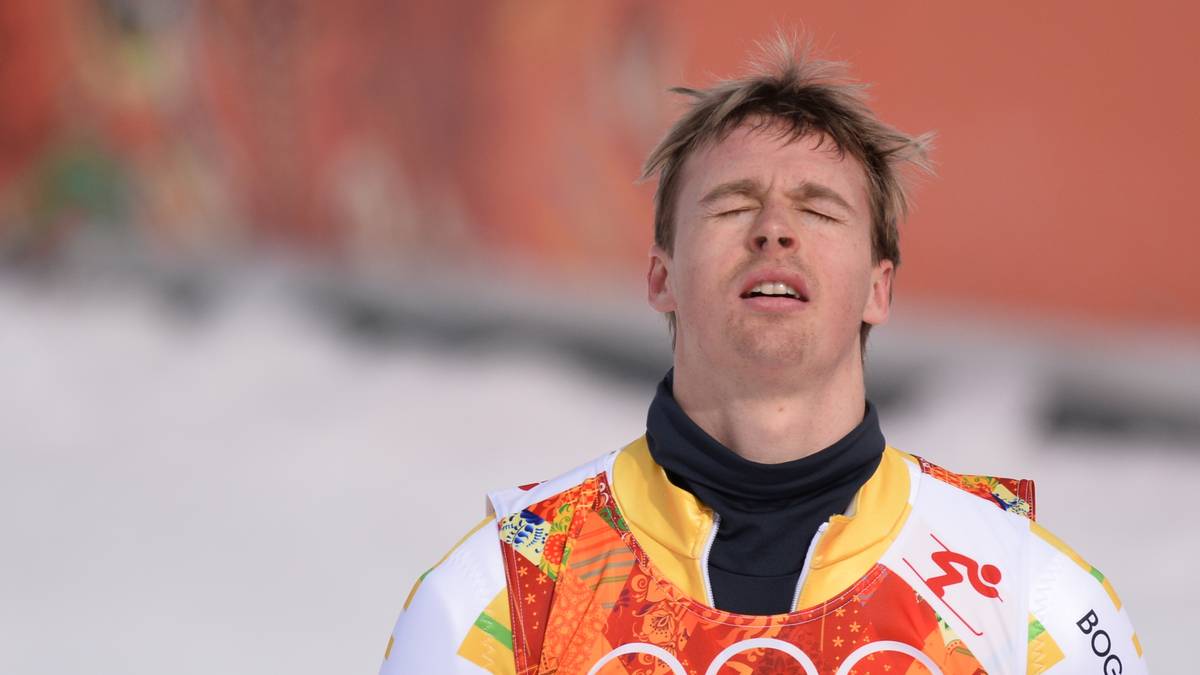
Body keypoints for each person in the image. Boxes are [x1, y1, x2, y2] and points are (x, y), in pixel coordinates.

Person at [380, 35, 1146, 675]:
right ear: (661, 276)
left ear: (878, 288)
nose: (775, 230)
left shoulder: (1031, 596)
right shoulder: (507, 591)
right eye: (734, 204)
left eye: (818, 209)